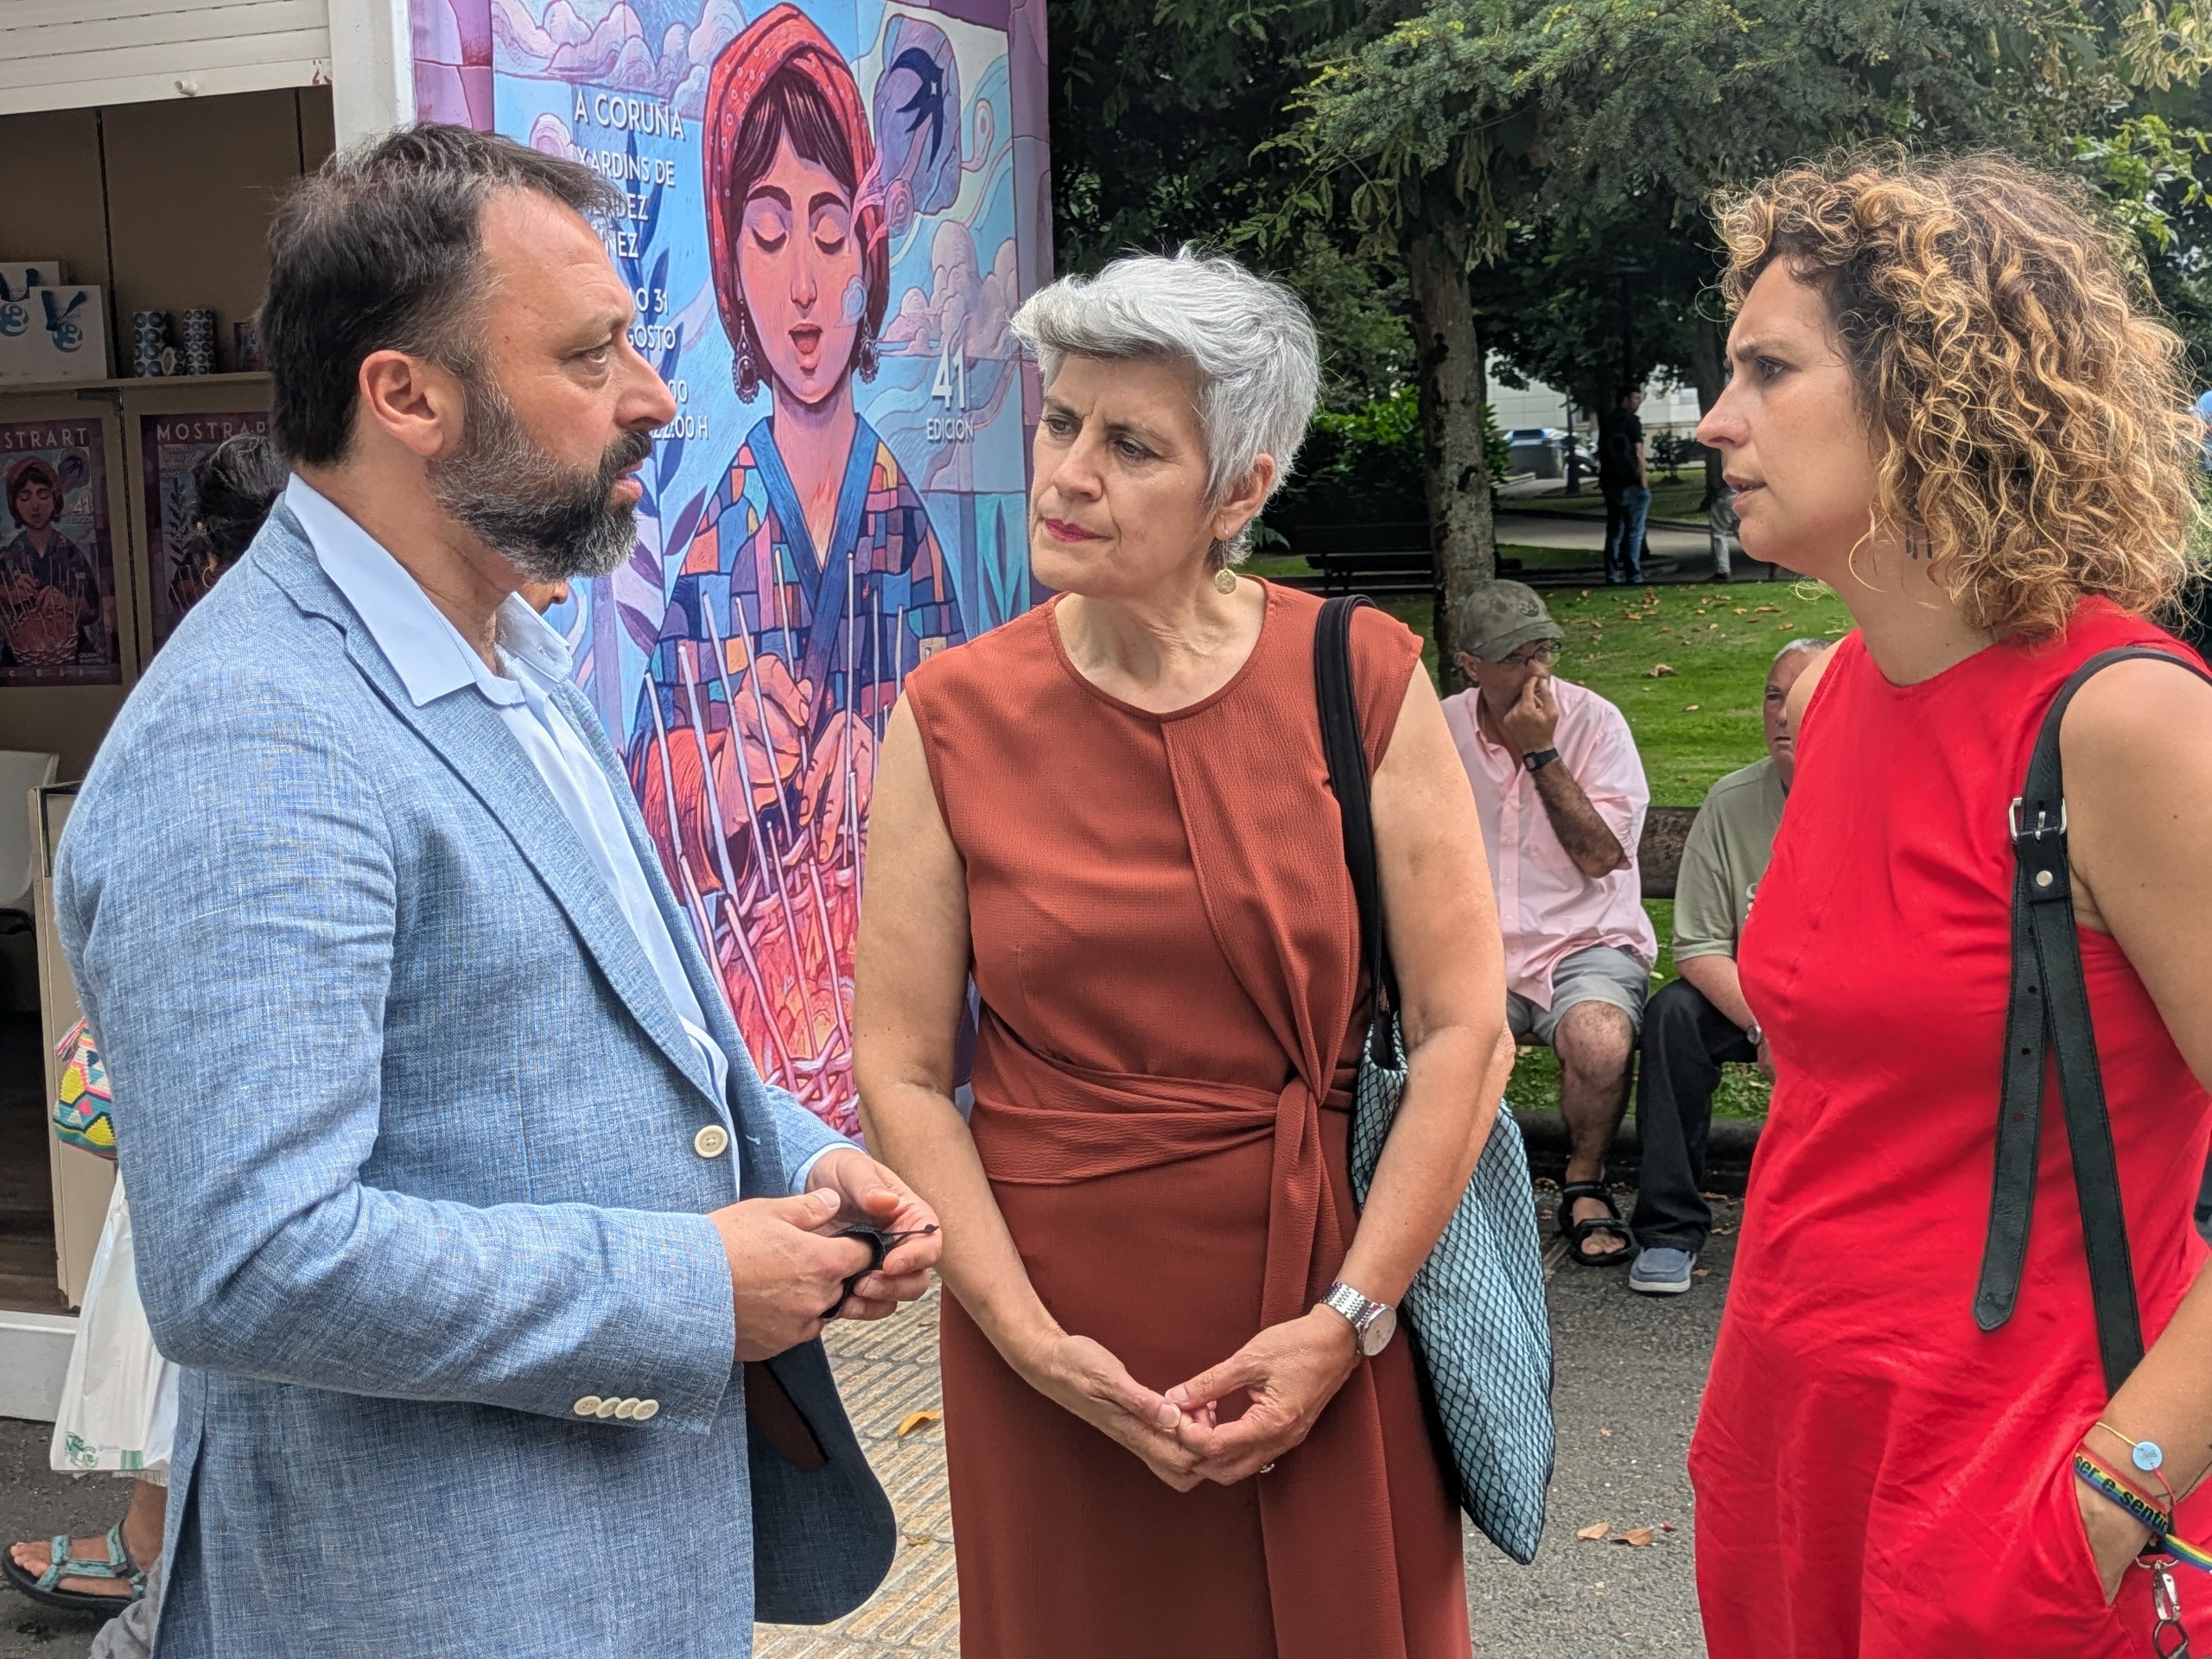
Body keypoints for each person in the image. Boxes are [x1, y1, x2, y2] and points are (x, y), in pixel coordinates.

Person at [53, 125, 942, 1658]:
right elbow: (249, 1262)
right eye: (591, 355)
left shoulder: (508, 651)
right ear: (406, 396)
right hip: (427, 1606)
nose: (653, 397)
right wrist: (690, 1286)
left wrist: (803, 1166)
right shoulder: (251, 739)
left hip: (618, 1576)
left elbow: (618, 1043)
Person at [853, 248, 1514, 1659]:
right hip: (1050, 1338)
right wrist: (1029, 1343)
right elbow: (900, 1071)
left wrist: (1349, 1320)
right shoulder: (951, 718)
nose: (1069, 473)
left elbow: (1469, 1029)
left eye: (1132, 445)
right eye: (1061, 423)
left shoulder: (1361, 678)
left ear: (1241, 492)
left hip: (1329, 1313)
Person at [1690, 153, 2212, 1656]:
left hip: (2025, 1484)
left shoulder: (2122, 722)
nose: (1716, 418)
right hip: (1794, 1456)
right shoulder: (1838, 693)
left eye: (1768, 369)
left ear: (1928, 393)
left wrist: (2118, 1488)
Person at [628, 3, 965, 1139]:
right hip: (759, 1043)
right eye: (768, 234)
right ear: (730, 263)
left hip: (895, 1017)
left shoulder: (899, 523)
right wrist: (723, 776)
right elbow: (646, 785)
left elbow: (971, 738)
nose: (806, 286)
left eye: (829, 229)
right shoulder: (721, 532)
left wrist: (893, 763)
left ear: (869, 251)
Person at [3, 435, 286, 1648]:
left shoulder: (203, 686)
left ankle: (158, 1559)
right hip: (231, 1069)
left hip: (218, 1076)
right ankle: (157, 1547)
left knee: (191, 1308)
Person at [1440, 581, 1655, 1266]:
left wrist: (1541, 753)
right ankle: (1461, 1196)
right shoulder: (1438, 730)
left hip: (1584, 940)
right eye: (1515, 657)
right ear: (1471, 664)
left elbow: (1600, 857)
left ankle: (1585, 1182)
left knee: (1600, 1038)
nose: (1536, 671)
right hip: (1477, 943)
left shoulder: (1596, 724)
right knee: (1445, 1041)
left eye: (1543, 651)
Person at [1624, 638, 1822, 1295]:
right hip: (1753, 997)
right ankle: (1668, 1230)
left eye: (1799, 698)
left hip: (1848, 1002)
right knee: (1673, 1018)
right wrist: (1767, 1028)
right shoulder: (1732, 802)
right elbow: (1700, 947)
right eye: (1772, 697)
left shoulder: (1879, 794)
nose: (1783, 715)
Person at [1, 456, 105, 669]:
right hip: (21, 657)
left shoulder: (71, 553)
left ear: (54, 498)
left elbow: (93, 610)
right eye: (25, 497)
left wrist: (67, 603)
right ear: (15, 504)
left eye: (43, 495)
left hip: (69, 652)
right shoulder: (8, 557)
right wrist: (8, 598)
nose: (35, 506)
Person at [1597, 387, 1649, 585]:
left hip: (1611, 484)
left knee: (1614, 532)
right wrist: (1643, 482)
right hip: (1631, 483)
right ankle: (1633, 574)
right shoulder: (1632, 421)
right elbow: (1638, 452)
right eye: (1635, 398)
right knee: (1634, 532)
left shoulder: (1607, 422)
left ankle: (1612, 574)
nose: (1638, 402)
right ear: (1625, 399)